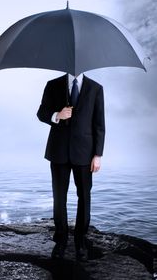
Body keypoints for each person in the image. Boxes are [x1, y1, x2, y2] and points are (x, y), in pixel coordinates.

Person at [37, 73, 105, 261]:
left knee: (84, 197)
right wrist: (57, 115)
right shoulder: (53, 84)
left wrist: (97, 155)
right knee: (59, 197)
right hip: (58, 151)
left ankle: (80, 240)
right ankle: (61, 240)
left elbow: (99, 124)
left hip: (85, 153)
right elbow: (41, 113)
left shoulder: (95, 88)